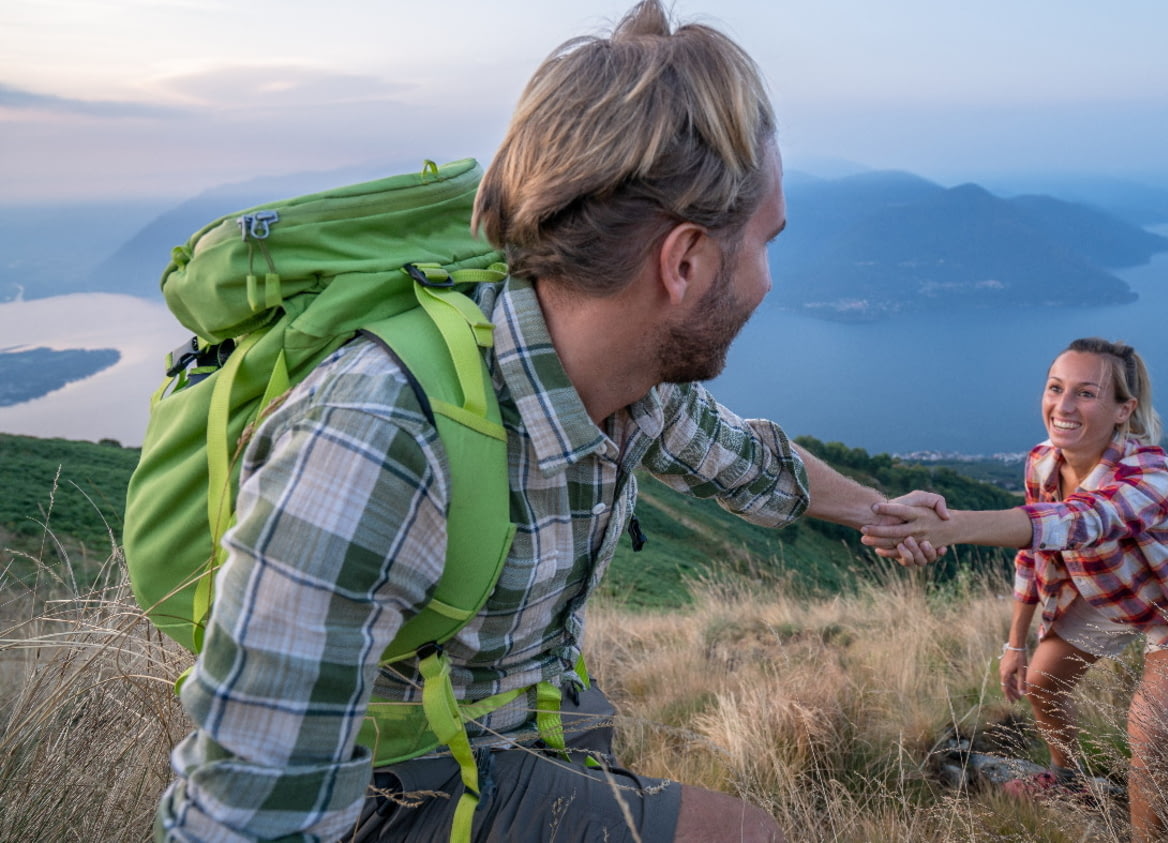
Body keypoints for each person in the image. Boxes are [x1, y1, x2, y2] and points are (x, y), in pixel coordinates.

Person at [155, 3, 940, 841]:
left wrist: (874, 510)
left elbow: (750, 462)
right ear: (683, 262)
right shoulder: (381, 437)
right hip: (395, 791)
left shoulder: (631, 387)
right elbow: (241, 821)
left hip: (524, 737)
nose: (769, 282)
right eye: (764, 243)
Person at [860, 337, 1168, 843]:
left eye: (1086, 393)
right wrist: (1014, 645)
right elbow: (1035, 556)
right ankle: (1071, 780)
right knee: (1042, 683)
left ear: (1122, 410)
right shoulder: (1043, 462)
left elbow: (1079, 521)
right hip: (1110, 597)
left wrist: (951, 526)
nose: (1062, 407)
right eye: (1055, 388)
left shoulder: (1152, 473)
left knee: (1150, 728)